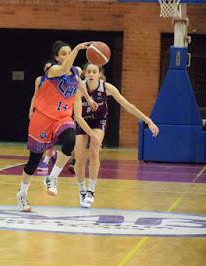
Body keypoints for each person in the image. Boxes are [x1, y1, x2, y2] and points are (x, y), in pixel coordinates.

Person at [16, 40, 101, 212]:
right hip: (43, 118)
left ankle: (52, 177)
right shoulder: (51, 70)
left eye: (69, 52)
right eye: (64, 53)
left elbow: (78, 84)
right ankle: (22, 195)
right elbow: (63, 69)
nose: (68, 56)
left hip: (62, 117)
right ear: (56, 57)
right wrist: (77, 49)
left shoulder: (76, 71)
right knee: (34, 161)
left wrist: (88, 98)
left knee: (70, 141)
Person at [73, 63, 159, 208]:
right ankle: (81, 189)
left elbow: (128, 105)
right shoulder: (79, 89)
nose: (92, 74)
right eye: (89, 71)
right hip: (83, 121)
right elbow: (77, 117)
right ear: (85, 74)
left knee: (94, 149)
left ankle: (91, 191)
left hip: (99, 122)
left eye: (95, 71)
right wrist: (90, 134)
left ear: (99, 74)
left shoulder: (107, 88)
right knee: (79, 157)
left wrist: (148, 120)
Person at [32, 62, 98, 173]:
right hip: (47, 112)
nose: (49, 70)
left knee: (70, 138)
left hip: (65, 113)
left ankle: (53, 160)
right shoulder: (41, 81)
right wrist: (33, 109)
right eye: (46, 68)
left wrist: (88, 99)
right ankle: (53, 154)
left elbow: (77, 84)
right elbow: (37, 96)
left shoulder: (68, 79)